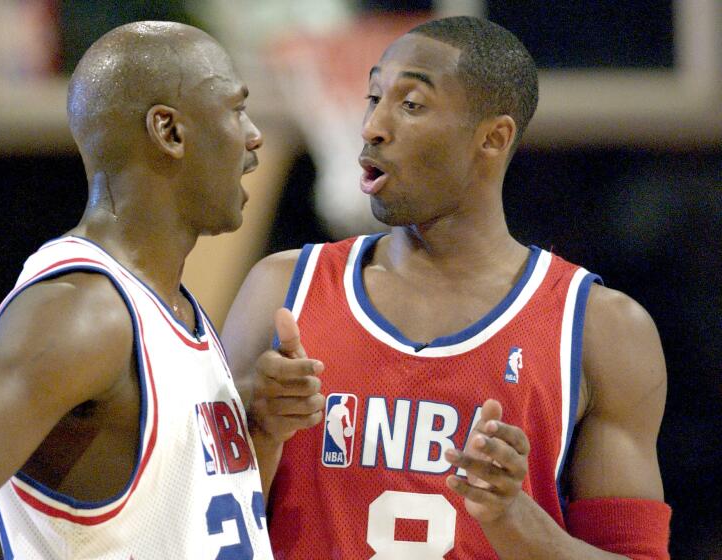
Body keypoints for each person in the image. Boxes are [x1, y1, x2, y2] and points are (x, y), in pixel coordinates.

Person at [222, 16, 671, 559]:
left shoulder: (602, 328)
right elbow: (202, 528)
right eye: (372, 98)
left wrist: (514, 517)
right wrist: (263, 431)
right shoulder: (283, 290)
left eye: (411, 104)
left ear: (493, 138)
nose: (372, 127)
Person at [0, 21, 272, 559]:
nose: (253, 136)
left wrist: (263, 423)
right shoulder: (84, 311)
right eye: (235, 110)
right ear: (169, 131)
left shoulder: (173, 307)